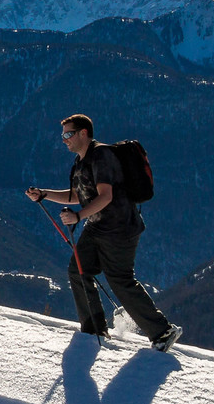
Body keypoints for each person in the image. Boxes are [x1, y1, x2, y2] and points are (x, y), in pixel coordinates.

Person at [26, 114, 182, 351]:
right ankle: (93, 330)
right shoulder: (81, 161)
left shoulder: (101, 156)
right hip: (98, 226)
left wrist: (78, 216)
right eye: (63, 135)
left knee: (120, 279)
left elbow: (106, 196)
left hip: (119, 228)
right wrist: (45, 193)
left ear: (83, 133)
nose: (64, 140)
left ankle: (162, 332)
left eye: (68, 134)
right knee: (78, 270)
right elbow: (79, 195)